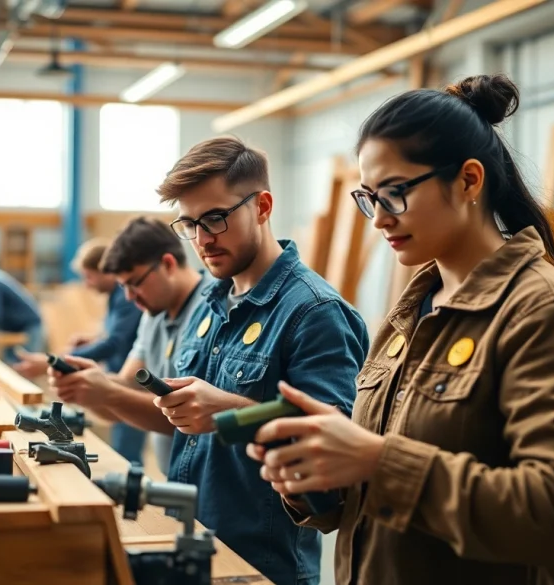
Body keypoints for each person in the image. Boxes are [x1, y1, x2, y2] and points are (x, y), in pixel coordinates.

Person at [248, 74, 554, 585]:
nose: (380, 219)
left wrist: (377, 461)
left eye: (396, 193)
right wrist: (318, 477)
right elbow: (375, 502)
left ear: (469, 181)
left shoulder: (547, 316)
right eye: (370, 198)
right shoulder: (410, 316)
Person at [55, 137, 368, 585]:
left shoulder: (314, 313)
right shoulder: (208, 301)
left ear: (262, 206)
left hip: (259, 565)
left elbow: (333, 451)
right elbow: (187, 422)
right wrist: (113, 393)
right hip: (192, 541)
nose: (202, 239)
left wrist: (231, 411)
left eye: (216, 219)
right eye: (190, 224)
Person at [45, 217, 212, 476]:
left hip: (212, 479)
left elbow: (189, 417)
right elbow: (127, 386)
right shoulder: (152, 314)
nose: (129, 297)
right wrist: (87, 384)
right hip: (176, 474)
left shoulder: (213, 308)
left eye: (134, 283)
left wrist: (107, 393)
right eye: (123, 286)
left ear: (167, 264)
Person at [62, 238, 146, 465]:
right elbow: (113, 334)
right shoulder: (114, 296)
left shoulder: (125, 297)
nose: (87, 284)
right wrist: (92, 340)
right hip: (117, 374)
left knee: (126, 450)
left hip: (131, 381)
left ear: (106, 271)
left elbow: (115, 343)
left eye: (89, 276)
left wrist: (68, 360)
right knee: (120, 443)